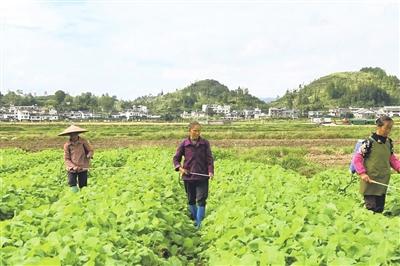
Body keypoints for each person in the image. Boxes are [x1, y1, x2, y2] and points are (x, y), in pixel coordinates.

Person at [352, 116, 400, 213]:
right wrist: (362, 173)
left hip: (383, 180)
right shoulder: (368, 143)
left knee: (379, 208)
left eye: (390, 128)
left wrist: (399, 168)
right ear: (378, 126)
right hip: (370, 180)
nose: (388, 131)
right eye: (386, 128)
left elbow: (392, 159)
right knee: (371, 208)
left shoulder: (388, 143)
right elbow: (357, 159)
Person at [173, 121, 214, 229]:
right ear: (190, 131)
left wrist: (210, 171)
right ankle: (195, 219)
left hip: (202, 176)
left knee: (201, 199)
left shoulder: (205, 143)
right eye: (195, 131)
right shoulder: (184, 144)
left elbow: (209, 159)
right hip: (188, 176)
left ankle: (199, 223)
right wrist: (180, 168)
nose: (197, 133)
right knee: (191, 199)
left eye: (199, 131)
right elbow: (176, 159)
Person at [58, 125, 94, 192]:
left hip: (83, 166)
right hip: (72, 168)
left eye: (74, 134)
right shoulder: (67, 145)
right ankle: (74, 197)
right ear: (69, 135)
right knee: (72, 183)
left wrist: (89, 155)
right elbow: (67, 158)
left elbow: (90, 150)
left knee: (83, 185)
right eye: (71, 135)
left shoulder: (83, 142)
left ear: (77, 134)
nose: (73, 136)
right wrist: (73, 167)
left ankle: (83, 197)